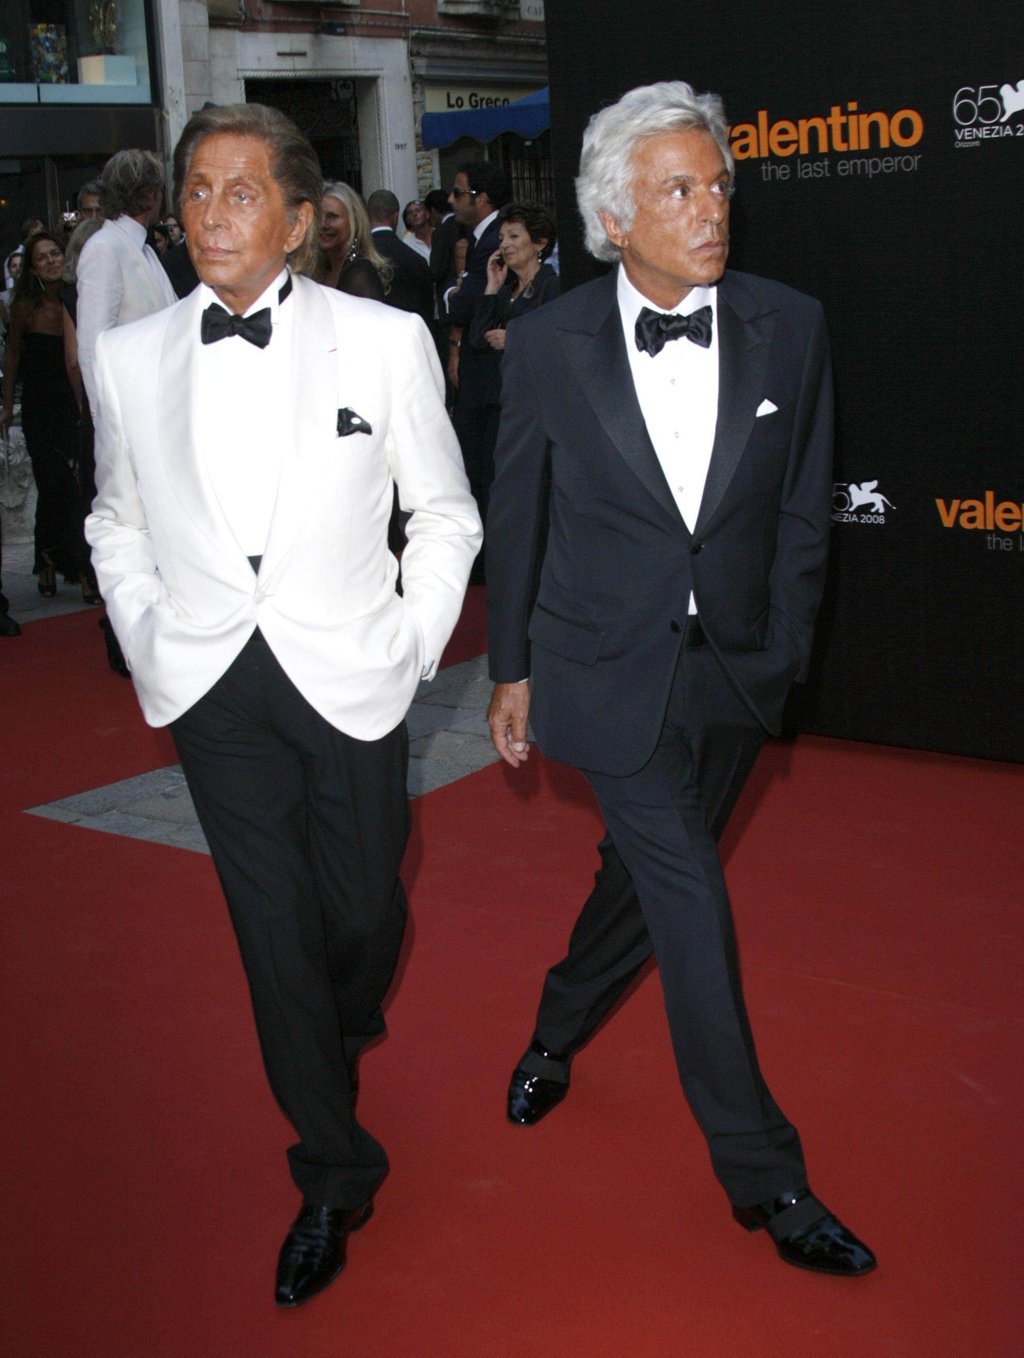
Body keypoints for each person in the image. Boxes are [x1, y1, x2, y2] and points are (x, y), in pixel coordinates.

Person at [85, 101, 481, 1309]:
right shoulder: (131, 355)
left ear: (304, 221)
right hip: (210, 682)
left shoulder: (384, 339)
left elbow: (447, 513)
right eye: (196, 190)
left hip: (351, 669)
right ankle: (330, 1168)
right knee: (271, 934)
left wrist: (414, 641)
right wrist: (146, 627)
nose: (209, 213)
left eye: (240, 192)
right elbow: (114, 517)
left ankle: (335, 1017)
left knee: (360, 911)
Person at [485, 81, 876, 1279]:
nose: (711, 210)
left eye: (717, 186)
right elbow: (520, 509)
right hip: (602, 672)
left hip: (739, 675)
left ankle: (555, 1024)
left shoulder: (788, 324)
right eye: (678, 191)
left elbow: (806, 507)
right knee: (693, 905)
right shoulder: (550, 344)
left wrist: (786, 648)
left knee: (645, 880)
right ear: (613, 219)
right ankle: (766, 1175)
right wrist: (509, 667)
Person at [0, 232, 96, 602]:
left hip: (73, 404)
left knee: (73, 488)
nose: (52, 260)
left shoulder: (76, 296)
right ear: (32, 267)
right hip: (41, 408)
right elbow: (11, 358)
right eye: (42, 258)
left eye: (55, 253)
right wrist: (8, 405)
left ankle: (52, 560)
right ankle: (70, 565)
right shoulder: (26, 305)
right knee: (55, 484)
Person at [76, 148, 177, 411]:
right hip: (131, 412)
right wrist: (109, 435)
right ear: (152, 194)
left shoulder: (144, 249)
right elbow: (93, 349)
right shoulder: (104, 248)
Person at [445, 162, 511, 536]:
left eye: (459, 192)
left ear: (481, 198)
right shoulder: (476, 240)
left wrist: (456, 293)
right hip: (480, 372)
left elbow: (462, 307)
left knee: (484, 468)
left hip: (491, 379)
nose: (452, 199)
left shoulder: (491, 241)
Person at [365, 189, 434, 331]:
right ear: (396, 216)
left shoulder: (358, 255)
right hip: (409, 338)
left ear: (367, 216)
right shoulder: (417, 260)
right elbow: (427, 312)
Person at [309, 181, 389, 300]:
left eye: (332, 217)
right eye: (318, 216)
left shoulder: (360, 274)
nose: (323, 225)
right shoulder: (317, 269)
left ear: (354, 221)